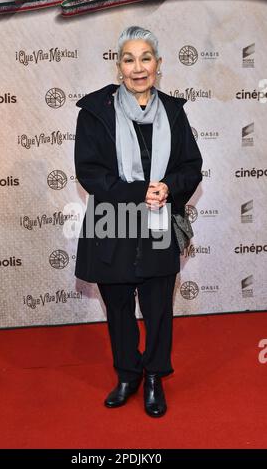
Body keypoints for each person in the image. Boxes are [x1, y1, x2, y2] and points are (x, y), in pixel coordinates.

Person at [74, 26, 203, 418]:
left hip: (158, 223)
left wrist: (168, 187)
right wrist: (137, 193)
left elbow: (191, 167)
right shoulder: (95, 111)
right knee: (117, 308)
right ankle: (127, 374)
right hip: (112, 224)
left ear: (158, 65)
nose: (138, 67)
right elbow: (89, 171)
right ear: (119, 67)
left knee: (159, 308)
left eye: (145, 58)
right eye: (129, 59)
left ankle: (153, 379)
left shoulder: (175, 113)